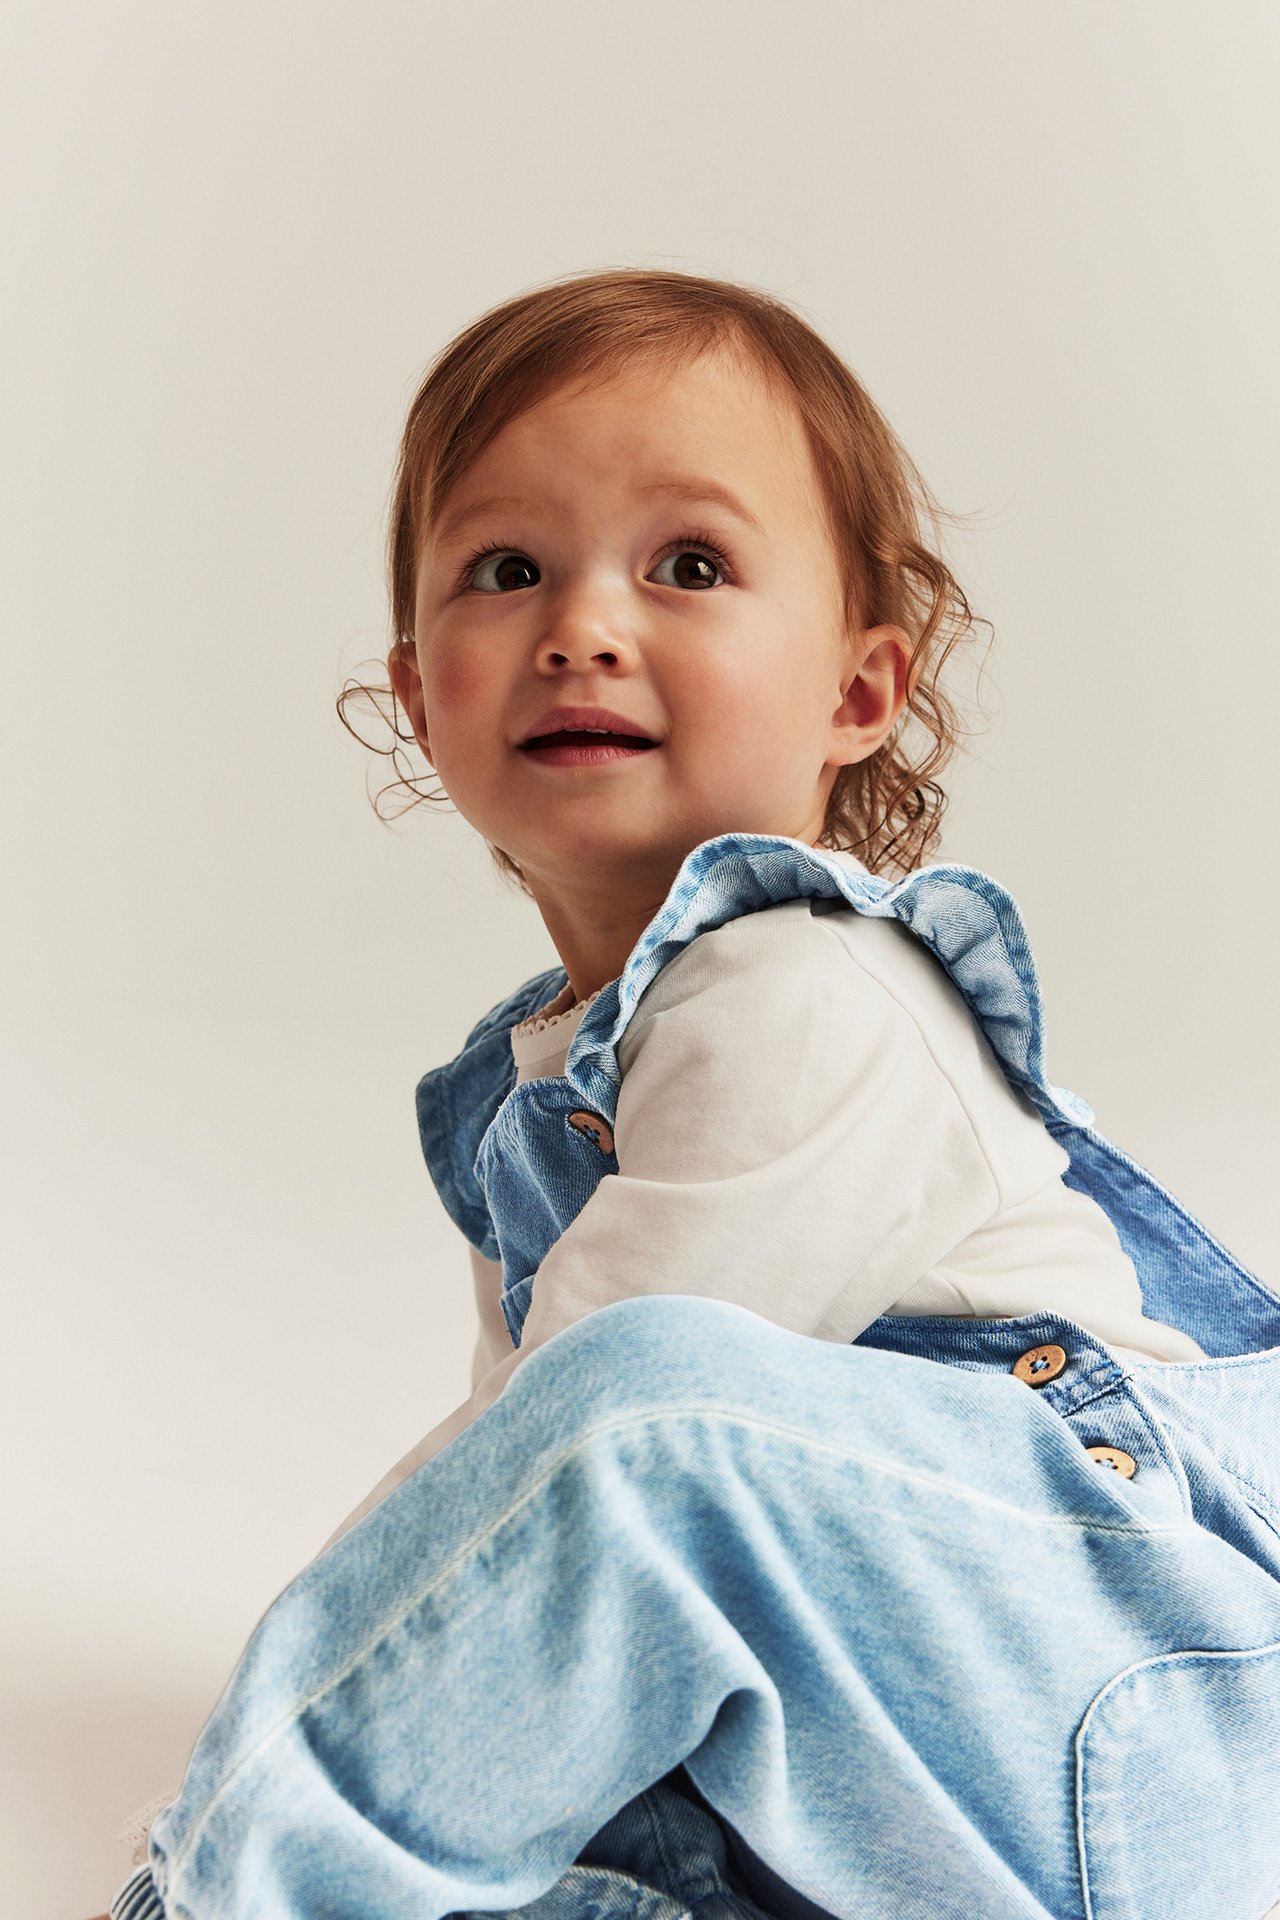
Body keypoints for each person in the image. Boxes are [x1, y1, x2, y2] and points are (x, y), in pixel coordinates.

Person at [101, 269, 1280, 1920]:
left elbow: (569, 1466)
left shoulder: (804, 992)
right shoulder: (552, 1081)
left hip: (1127, 1702)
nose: (582, 624)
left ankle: (227, 1895)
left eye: (691, 567)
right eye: (507, 570)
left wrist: (295, 1708)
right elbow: (536, 1550)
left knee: (621, 1432)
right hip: (901, 1773)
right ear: (419, 687)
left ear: (860, 694)